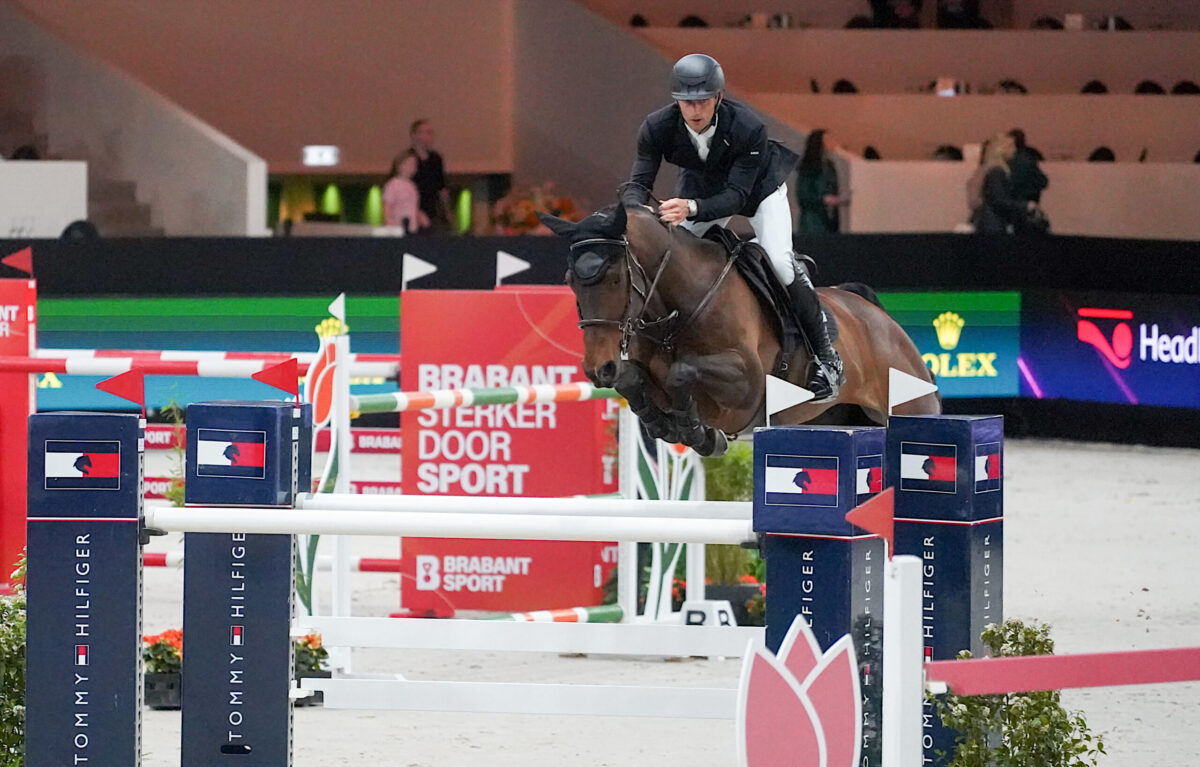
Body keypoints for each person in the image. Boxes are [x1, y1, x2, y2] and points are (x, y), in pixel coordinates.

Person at [619, 53, 843, 402]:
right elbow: (638, 182)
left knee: (781, 262)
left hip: (757, 193)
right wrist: (635, 213)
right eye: (686, 102)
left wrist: (691, 208)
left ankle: (826, 358)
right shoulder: (656, 127)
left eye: (703, 101)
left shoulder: (747, 126)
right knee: (669, 260)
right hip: (701, 188)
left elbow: (737, 197)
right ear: (676, 101)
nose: (695, 110)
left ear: (718, 98)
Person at [967, 133, 1035, 234]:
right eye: (1010, 146)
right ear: (1001, 150)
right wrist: (1025, 206)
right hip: (994, 225)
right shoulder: (997, 172)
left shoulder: (990, 170)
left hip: (989, 223)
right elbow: (998, 200)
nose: (1014, 150)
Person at [794, 129, 841, 234]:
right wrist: (823, 199)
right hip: (813, 221)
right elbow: (803, 195)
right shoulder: (809, 167)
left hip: (829, 219)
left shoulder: (829, 166)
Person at [406, 119, 449, 231]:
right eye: (427, 132)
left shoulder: (436, 159)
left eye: (431, 132)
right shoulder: (406, 159)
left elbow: (441, 186)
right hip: (411, 213)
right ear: (415, 135)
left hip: (433, 213)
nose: (430, 136)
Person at [382, 151, 429, 233]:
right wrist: (388, 220)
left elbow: (412, 206)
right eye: (409, 164)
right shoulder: (393, 184)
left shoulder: (413, 186)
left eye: (414, 164)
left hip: (412, 229)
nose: (413, 167)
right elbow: (387, 204)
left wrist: (419, 215)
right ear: (400, 165)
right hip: (397, 228)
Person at [1007, 129, 1048, 205]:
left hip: (1012, 203)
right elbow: (1043, 182)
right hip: (1028, 202)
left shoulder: (1005, 158)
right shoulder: (1031, 154)